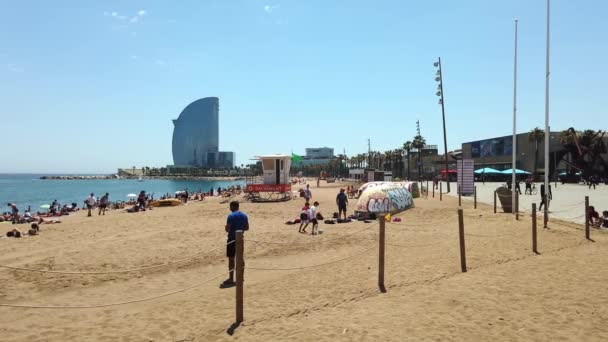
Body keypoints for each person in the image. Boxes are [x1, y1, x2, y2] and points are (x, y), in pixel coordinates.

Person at [222, 201, 249, 288]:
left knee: (231, 259)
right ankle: (241, 277)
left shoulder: (231, 216)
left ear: (233, 206)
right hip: (240, 238)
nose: (230, 208)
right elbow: (247, 227)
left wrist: (226, 228)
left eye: (230, 207)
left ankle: (231, 278)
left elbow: (227, 229)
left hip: (232, 239)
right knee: (240, 258)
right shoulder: (244, 215)